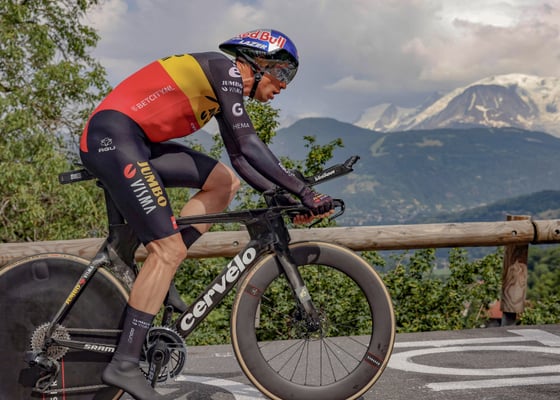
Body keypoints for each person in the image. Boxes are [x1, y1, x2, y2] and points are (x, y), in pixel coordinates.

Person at [79, 28, 334, 399]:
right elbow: (249, 143)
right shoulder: (224, 70)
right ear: (258, 62)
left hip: (133, 142)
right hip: (112, 138)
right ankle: (125, 364)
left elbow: (240, 159)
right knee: (167, 250)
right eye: (282, 72)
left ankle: (163, 270)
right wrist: (305, 192)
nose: (283, 85)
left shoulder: (221, 89)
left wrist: (280, 196)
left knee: (224, 183)